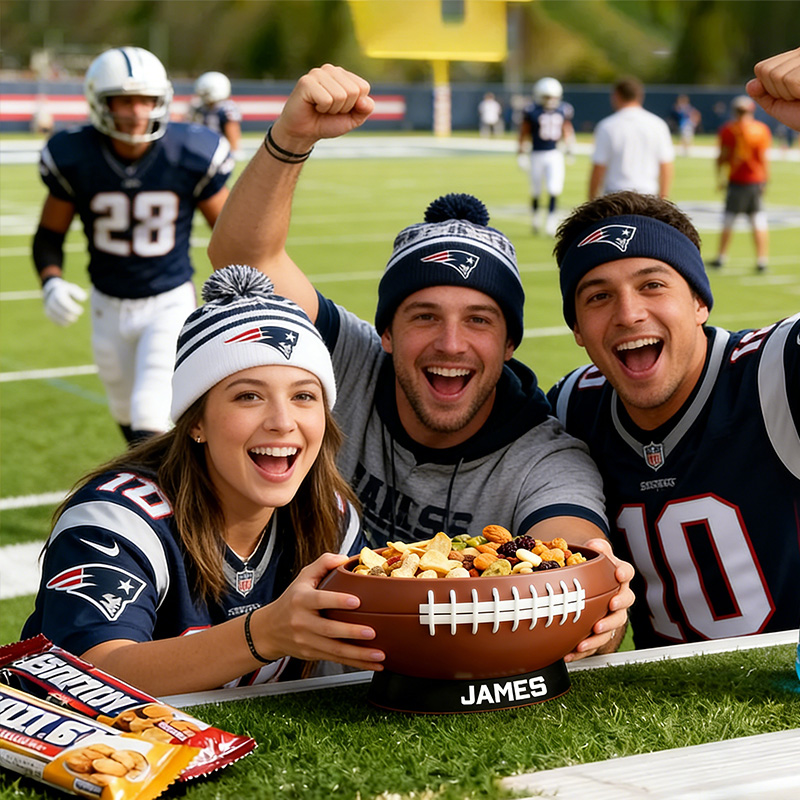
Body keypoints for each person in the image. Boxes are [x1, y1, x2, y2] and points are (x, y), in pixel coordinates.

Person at [207, 64, 635, 662]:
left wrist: (594, 605)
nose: (452, 344)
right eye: (424, 316)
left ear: (510, 344)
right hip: (300, 678)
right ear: (385, 332)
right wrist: (291, 139)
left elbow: (571, 556)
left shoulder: (542, 454)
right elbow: (243, 259)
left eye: (479, 320)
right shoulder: (349, 362)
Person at [546, 45, 800, 652]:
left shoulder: (775, 372)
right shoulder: (571, 409)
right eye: (598, 296)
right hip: (663, 699)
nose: (629, 312)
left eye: (653, 285)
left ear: (700, 303)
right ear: (577, 330)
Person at [21, 265, 375, 696]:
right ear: (196, 422)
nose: (283, 422)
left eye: (304, 396)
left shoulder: (332, 515)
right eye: (249, 395)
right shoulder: (116, 520)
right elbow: (88, 674)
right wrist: (262, 634)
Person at [33, 46, 234, 445]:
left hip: (168, 301)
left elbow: (231, 234)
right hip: (107, 306)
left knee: (150, 414)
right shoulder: (74, 155)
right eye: (124, 100)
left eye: (146, 99)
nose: (137, 111)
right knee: (127, 416)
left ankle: (168, 505)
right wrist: (51, 281)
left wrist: (235, 293)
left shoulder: (189, 151)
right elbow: (48, 235)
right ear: (99, 102)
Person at [709, 95, 772, 273]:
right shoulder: (761, 130)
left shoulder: (729, 130)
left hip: (737, 181)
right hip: (755, 180)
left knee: (729, 219)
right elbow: (763, 159)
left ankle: (721, 256)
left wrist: (719, 178)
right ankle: (762, 260)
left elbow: (722, 157)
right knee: (757, 220)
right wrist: (765, 179)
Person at [589, 76, 674, 199]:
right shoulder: (657, 125)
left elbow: (599, 167)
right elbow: (666, 166)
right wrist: (663, 200)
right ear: (640, 96)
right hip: (648, 197)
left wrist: (592, 200)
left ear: (616, 96)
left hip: (615, 198)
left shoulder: (607, 126)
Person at [517, 77, 575, 236]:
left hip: (554, 154)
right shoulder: (531, 110)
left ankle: (550, 221)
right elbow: (524, 132)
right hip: (536, 154)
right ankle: (535, 219)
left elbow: (566, 129)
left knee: (553, 188)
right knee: (535, 190)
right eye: (547, 96)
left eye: (553, 96)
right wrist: (521, 153)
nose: (550, 100)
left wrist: (569, 148)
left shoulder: (563, 109)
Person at [185, 70, 243, 157]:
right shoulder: (197, 107)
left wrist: (233, 151)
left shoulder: (227, 109)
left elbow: (232, 132)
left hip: (221, 148)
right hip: (202, 148)